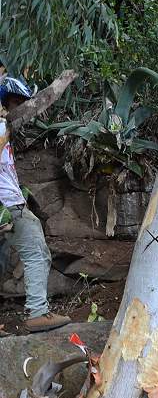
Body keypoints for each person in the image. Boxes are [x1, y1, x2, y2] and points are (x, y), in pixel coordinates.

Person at [0, 76, 71, 332]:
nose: (21, 108)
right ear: (5, 103)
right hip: (10, 206)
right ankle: (38, 313)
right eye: (17, 102)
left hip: (8, 206)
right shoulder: (1, 126)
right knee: (37, 253)